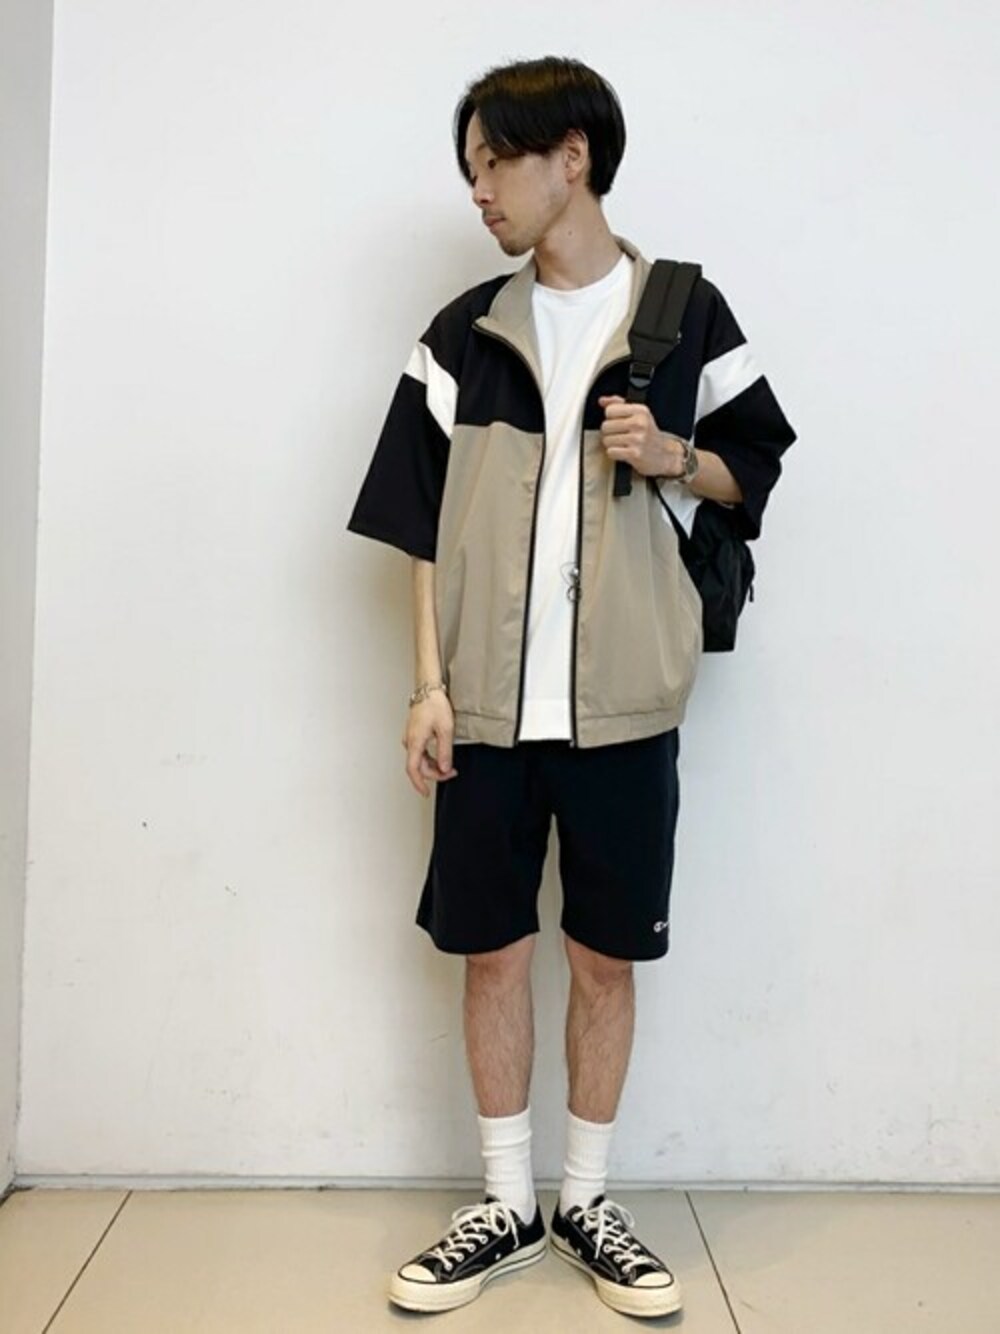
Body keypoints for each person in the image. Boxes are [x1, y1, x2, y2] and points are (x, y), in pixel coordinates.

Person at [346, 55, 796, 1318]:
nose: (479, 189)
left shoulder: (684, 316)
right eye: (471, 168)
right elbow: (418, 524)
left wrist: (675, 453)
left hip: (624, 709)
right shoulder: (462, 333)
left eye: (495, 160)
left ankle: (587, 1200)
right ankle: (504, 1200)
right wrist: (426, 685)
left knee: (604, 959)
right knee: (490, 953)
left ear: (572, 158)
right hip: (482, 712)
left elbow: (756, 469)